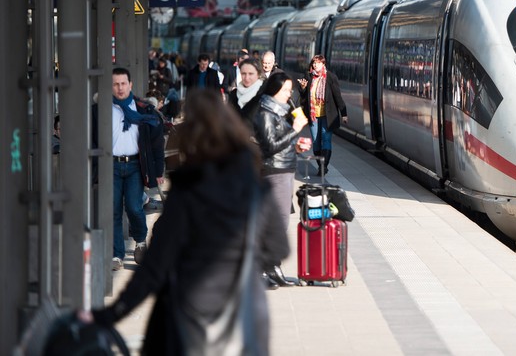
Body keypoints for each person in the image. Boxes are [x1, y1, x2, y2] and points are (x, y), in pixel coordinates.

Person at [82, 89, 291, 355]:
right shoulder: (256, 188)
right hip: (245, 315)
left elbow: (153, 270)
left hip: (192, 316)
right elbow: (278, 249)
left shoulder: (187, 192)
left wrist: (108, 316)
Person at [96, 67, 166, 271]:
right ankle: (117, 254)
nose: (119, 88)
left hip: (136, 165)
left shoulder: (143, 110)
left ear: (130, 85)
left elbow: (156, 143)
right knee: (114, 210)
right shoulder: (102, 109)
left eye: (123, 83)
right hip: (112, 165)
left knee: (134, 207)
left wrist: (159, 170)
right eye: (115, 84)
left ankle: (140, 241)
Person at [250, 71, 311, 286]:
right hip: (274, 172)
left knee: (280, 221)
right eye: (285, 90)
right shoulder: (266, 114)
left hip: (283, 170)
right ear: (275, 91)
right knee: (276, 222)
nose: (289, 94)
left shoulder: (277, 113)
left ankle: (272, 267)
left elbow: (278, 143)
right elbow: (270, 146)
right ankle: (263, 269)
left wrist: (296, 145)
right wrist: (294, 131)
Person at [299, 55, 347, 175]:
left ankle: (323, 166)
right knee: (316, 141)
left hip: (328, 115)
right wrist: (303, 88)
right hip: (313, 115)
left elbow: (337, 96)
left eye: (318, 63)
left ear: (323, 64)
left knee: (326, 139)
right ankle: (321, 164)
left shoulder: (330, 77)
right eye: (314, 63)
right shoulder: (309, 76)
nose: (315, 65)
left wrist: (344, 113)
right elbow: (304, 96)